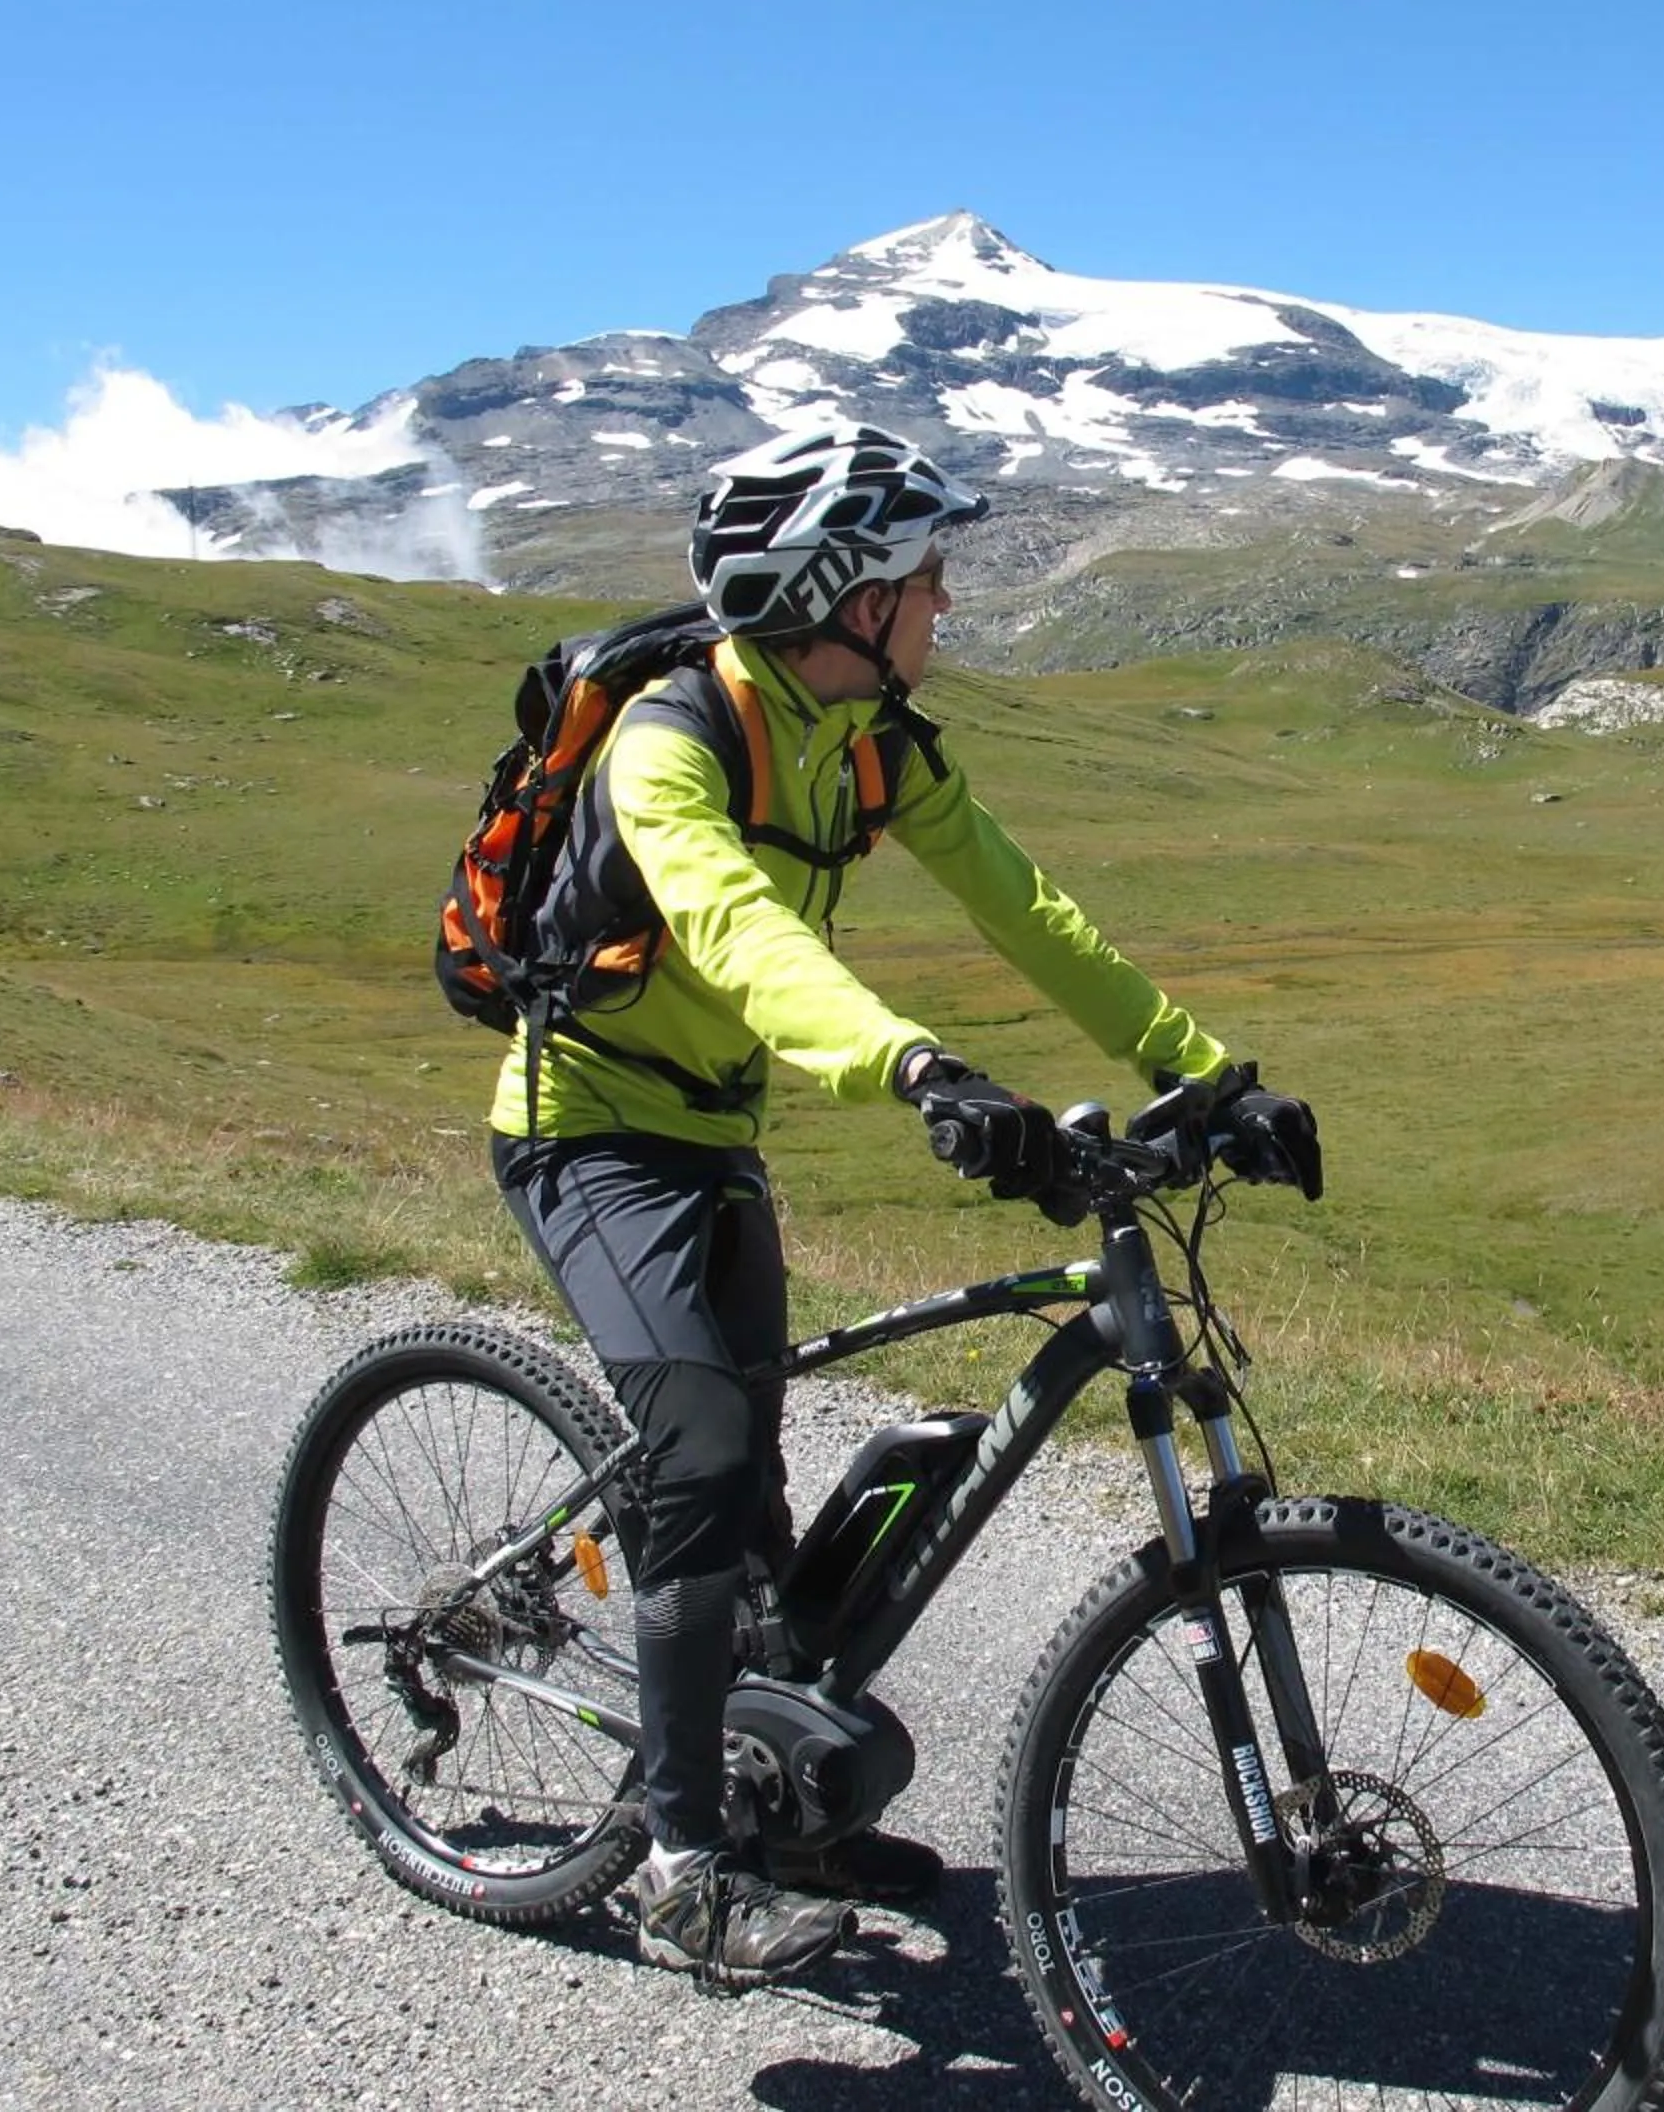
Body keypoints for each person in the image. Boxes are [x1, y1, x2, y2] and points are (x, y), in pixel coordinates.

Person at [486, 422, 1321, 1991]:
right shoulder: (669, 742)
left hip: (710, 1133)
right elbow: (733, 930)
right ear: (843, 595)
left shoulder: (872, 739)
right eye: (926, 574)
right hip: (586, 1131)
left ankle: (777, 1796)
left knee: (756, 1480)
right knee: (709, 1462)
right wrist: (916, 1066)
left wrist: (1204, 1073)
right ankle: (679, 1863)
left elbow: (1026, 904)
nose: (946, 600)